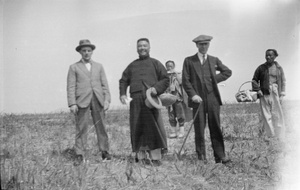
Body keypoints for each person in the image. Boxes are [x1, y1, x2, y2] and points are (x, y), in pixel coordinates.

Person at [182, 35, 232, 164]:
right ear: (197, 45)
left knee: (215, 126)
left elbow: (227, 72)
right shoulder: (189, 61)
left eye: (206, 44)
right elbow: (185, 80)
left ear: (209, 45)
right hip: (197, 99)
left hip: (212, 98)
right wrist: (193, 95)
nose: (204, 47)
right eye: (201, 44)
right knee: (199, 129)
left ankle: (220, 156)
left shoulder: (214, 60)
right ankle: (201, 157)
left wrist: (213, 80)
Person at [119, 38, 169, 166]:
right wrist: (123, 94)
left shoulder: (156, 63)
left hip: (150, 100)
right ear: (137, 48)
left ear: (149, 47)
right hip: (135, 100)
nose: (142, 48)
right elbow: (123, 80)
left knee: (154, 127)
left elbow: (165, 79)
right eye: (140, 46)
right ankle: (140, 156)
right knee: (137, 126)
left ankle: (156, 157)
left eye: (145, 46)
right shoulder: (132, 65)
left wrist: (155, 89)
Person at [67, 39, 111, 161]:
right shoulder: (74, 67)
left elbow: (104, 85)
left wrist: (107, 100)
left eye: (89, 50)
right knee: (82, 127)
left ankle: (105, 151)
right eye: (84, 50)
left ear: (92, 52)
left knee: (101, 126)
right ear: (80, 52)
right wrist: (72, 103)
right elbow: (71, 87)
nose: (86, 53)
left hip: (98, 99)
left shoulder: (99, 66)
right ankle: (79, 153)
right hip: (82, 101)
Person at [252, 49, 286, 140]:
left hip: (275, 92)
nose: (268, 57)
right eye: (266, 55)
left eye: (270, 55)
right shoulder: (261, 68)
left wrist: (282, 94)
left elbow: (283, 81)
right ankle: (271, 135)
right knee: (266, 115)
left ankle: (280, 135)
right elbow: (254, 80)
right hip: (263, 92)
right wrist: (258, 90)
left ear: (275, 56)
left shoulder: (279, 68)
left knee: (278, 114)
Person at [165, 60, 186, 138]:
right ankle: (173, 132)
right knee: (171, 115)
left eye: (171, 66)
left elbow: (181, 83)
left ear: (173, 66)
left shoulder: (178, 74)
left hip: (177, 97)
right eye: (168, 66)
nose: (169, 67)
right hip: (168, 98)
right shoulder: (164, 76)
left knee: (180, 114)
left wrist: (176, 75)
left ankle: (181, 132)